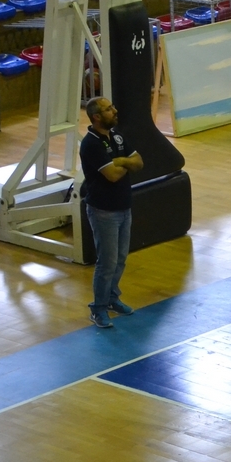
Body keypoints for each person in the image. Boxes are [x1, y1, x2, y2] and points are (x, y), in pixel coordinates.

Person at [79, 96, 143, 329]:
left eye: (113, 107)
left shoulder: (116, 136)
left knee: (120, 259)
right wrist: (127, 164)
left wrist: (120, 160)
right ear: (96, 116)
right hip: (103, 211)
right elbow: (113, 175)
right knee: (107, 263)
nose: (114, 111)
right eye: (108, 109)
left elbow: (139, 162)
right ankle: (98, 308)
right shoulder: (91, 144)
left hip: (123, 206)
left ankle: (112, 298)